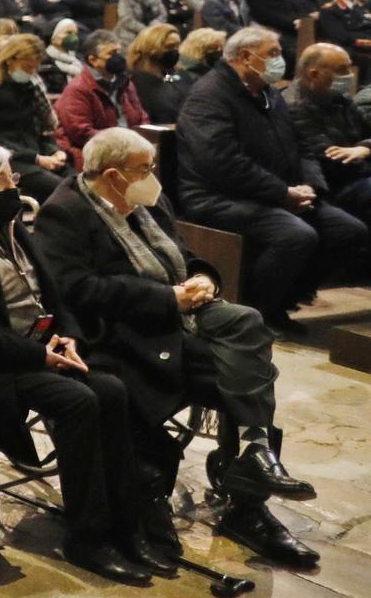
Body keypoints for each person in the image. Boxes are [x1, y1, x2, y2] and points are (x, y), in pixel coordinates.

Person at [34, 127, 320, 569]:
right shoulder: (65, 212)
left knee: (247, 335)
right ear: (112, 176)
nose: (153, 177)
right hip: (122, 335)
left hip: (177, 319)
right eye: (143, 170)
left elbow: (179, 254)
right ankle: (238, 486)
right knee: (243, 374)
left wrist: (204, 277)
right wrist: (166, 298)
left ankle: (251, 478)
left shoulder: (147, 201)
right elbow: (77, 290)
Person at [0, 142, 161, 584]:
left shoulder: (11, 225)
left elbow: (52, 293)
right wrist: (35, 353)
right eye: (0, 180)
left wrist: (67, 336)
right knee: (78, 401)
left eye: (11, 177)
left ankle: (128, 525)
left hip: (42, 347)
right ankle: (88, 535)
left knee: (113, 390)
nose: (12, 186)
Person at [176, 25, 368, 329]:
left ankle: (286, 300)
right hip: (218, 196)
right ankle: (255, 314)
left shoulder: (267, 93)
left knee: (349, 231)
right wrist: (283, 194)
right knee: (295, 235)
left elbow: (301, 146)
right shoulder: (209, 96)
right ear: (245, 56)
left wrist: (310, 187)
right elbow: (222, 163)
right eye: (274, 53)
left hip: (277, 193)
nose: (282, 59)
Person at [0, 33, 72, 199]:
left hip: (35, 154)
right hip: (7, 160)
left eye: (35, 68)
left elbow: (41, 130)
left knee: (79, 182)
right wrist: (36, 158)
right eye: (28, 68)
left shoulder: (28, 86)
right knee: (63, 191)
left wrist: (54, 151)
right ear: (10, 60)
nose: (32, 73)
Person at [285, 42, 371, 228]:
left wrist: (364, 148)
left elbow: (364, 137)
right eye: (342, 69)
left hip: (357, 173)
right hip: (332, 184)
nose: (349, 74)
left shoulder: (339, 98)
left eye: (349, 66)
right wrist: (363, 153)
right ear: (314, 74)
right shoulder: (294, 107)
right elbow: (329, 158)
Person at [55, 29, 147, 167]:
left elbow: (141, 116)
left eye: (118, 52)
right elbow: (82, 133)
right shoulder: (78, 88)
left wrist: (144, 136)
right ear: (93, 60)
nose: (118, 58)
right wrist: (123, 142)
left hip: (130, 150)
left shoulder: (125, 82)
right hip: (100, 155)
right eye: (111, 54)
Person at [127, 23, 186, 124]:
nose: (175, 51)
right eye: (169, 47)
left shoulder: (172, 76)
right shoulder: (135, 82)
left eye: (177, 46)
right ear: (151, 48)